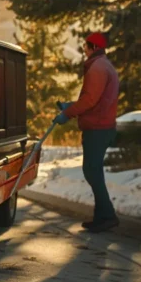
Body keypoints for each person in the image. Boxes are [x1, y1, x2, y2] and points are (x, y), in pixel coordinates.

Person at [54, 32, 120, 233]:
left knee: (91, 171)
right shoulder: (103, 65)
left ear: (93, 47)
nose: (83, 49)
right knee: (94, 171)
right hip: (101, 125)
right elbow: (96, 100)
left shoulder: (98, 68)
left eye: (85, 45)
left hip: (98, 127)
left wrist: (67, 113)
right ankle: (101, 217)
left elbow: (90, 100)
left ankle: (107, 216)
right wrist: (71, 105)